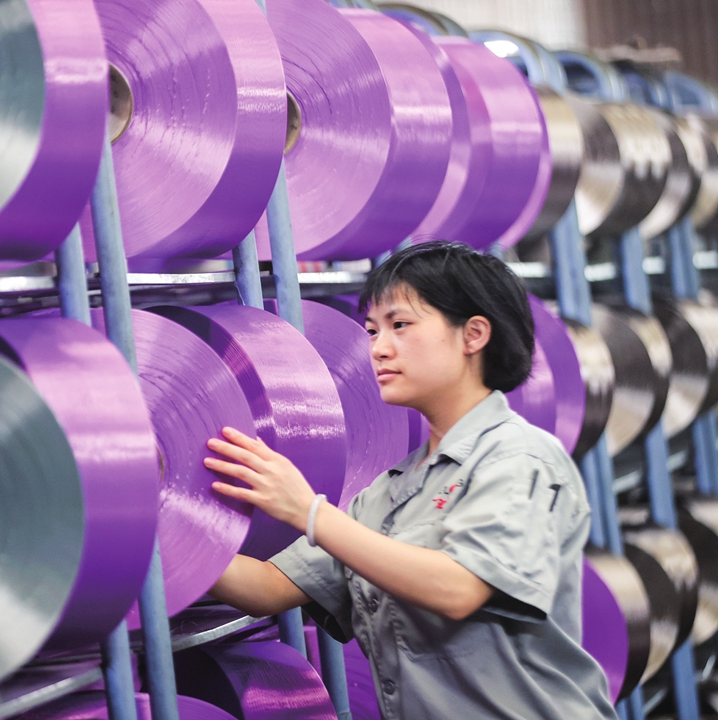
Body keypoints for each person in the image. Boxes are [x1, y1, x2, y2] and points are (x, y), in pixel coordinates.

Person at [205, 241, 616, 719]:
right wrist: (163, 520)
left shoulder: (520, 458)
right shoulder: (393, 491)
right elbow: (266, 588)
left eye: (400, 326)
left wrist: (307, 511)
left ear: (474, 334)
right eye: (372, 330)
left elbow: (460, 589)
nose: (378, 348)